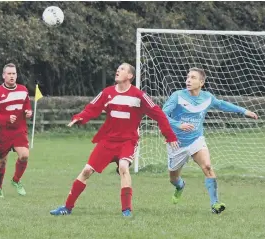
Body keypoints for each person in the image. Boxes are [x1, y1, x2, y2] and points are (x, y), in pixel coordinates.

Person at [50, 63, 178, 217]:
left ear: (130, 76)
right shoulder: (107, 93)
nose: (118, 70)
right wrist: (79, 118)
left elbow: (159, 114)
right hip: (108, 141)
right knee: (86, 171)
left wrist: (169, 135)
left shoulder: (139, 96)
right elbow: (92, 108)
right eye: (118, 68)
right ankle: (67, 207)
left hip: (128, 141)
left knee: (124, 167)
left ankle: (126, 210)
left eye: (122, 69)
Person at [162, 67, 258, 214]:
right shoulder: (177, 96)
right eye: (187, 77)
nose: (188, 80)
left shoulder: (207, 97)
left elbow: (222, 105)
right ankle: (180, 186)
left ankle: (215, 204)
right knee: (173, 178)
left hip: (196, 139)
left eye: (193, 77)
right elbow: (162, 114)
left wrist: (244, 111)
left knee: (207, 166)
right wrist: (178, 125)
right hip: (176, 143)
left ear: (201, 82)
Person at [0, 63, 32, 198]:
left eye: (14, 73)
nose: (12, 76)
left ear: (16, 75)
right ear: (3, 75)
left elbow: (27, 106)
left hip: (19, 130)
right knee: (2, 162)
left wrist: (28, 112)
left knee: (24, 155)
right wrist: (6, 118)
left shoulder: (23, 90)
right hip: (2, 132)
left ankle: (16, 181)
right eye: (9, 74)